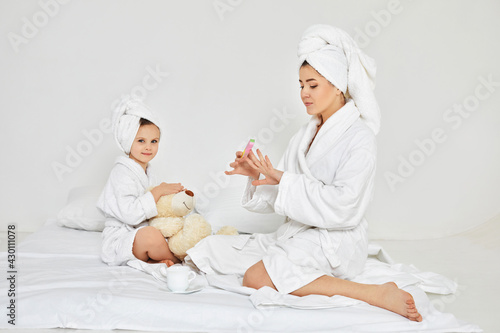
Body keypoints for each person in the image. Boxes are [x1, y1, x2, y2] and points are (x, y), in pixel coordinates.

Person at [186, 24, 422, 322]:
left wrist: (282, 178)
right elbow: (281, 195)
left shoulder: (359, 137)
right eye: (300, 85)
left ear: (337, 85)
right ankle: (288, 266)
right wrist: (256, 176)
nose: (304, 93)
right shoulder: (305, 134)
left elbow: (344, 206)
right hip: (298, 233)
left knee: (257, 278)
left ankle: (373, 292)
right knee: (209, 249)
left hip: (335, 239)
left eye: (312, 85)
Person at [97, 98, 184, 267]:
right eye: (141, 141)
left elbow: (157, 208)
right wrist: (158, 192)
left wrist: (172, 198)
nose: (148, 147)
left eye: (154, 141)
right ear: (128, 140)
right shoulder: (121, 172)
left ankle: (157, 258)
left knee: (176, 231)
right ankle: (180, 261)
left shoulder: (149, 172)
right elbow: (129, 214)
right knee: (150, 236)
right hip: (122, 238)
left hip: (143, 232)